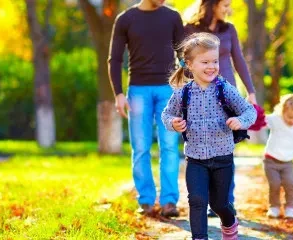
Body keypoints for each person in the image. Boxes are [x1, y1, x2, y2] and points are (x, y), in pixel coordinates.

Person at [162, 32, 257, 240]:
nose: (212, 66)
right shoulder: (183, 93)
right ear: (189, 64)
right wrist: (174, 123)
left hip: (222, 158)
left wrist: (240, 121)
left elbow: (249, 111)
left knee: (219, 204)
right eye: (205, 62)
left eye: (215, 61)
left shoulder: (224, 89)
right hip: (195, 159)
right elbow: (167, 114)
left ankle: (230, 224)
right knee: (196, 200)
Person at [107, 0, 183, 217]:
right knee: (140, 148)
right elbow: (114, 60)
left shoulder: (172, 17)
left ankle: (169, 202)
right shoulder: (126, 19)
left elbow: (184, 55)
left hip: (168, 91)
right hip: (138, 91)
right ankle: (146, 201)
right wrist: (118, 94)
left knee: (169, 146)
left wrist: (186, 85)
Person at [183, 0, 257, 216]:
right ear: (212, 4)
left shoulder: (229, 29)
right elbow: (184, 61)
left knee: (225, 149)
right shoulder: (191, 29)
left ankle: (225, 202)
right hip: (200, 96)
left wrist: (250, 91)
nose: (228, 9)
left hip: (226, 96)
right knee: (202, 149)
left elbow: (239, 60)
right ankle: (206, 200)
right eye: (225, 4)